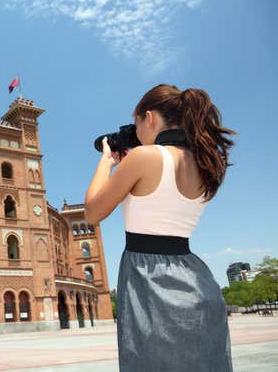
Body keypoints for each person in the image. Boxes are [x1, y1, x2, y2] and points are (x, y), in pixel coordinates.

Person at [85, 85, 235, 371]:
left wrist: (106, 161)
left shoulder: (145, 157)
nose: (137, 132)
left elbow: (93, 213)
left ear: (150, 118)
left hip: (149, 282)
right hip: (197, 281)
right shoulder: (207, 164)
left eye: (138, 123)